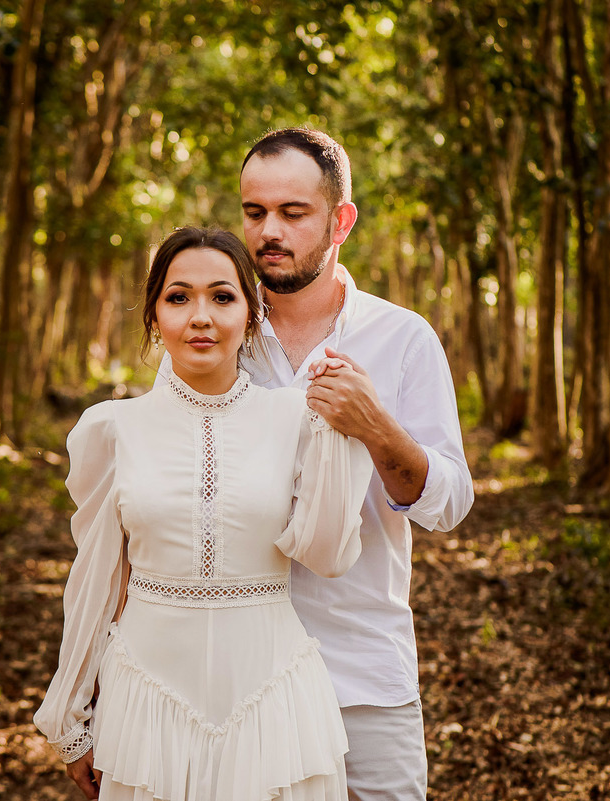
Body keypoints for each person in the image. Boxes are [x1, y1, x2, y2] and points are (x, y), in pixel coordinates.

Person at [35, 226, 375, 801]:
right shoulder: (113, 429)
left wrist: (342, 431)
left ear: (250, 314)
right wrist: (73, 715)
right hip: (146, 704)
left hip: (273, 703)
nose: (200, 316)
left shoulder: (300, 418)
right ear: (153, 316)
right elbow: (96, 581)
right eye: (178, 297)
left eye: (222, 296)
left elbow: (328, 554)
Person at [227, 126, 474, 800]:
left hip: (365, 678)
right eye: (254, 212)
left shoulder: (402, 339)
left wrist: (379, 432)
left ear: (340, 220)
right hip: (233, 682)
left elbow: (450, 503)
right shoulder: (217, 338)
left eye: (292, 213)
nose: (268, 230)